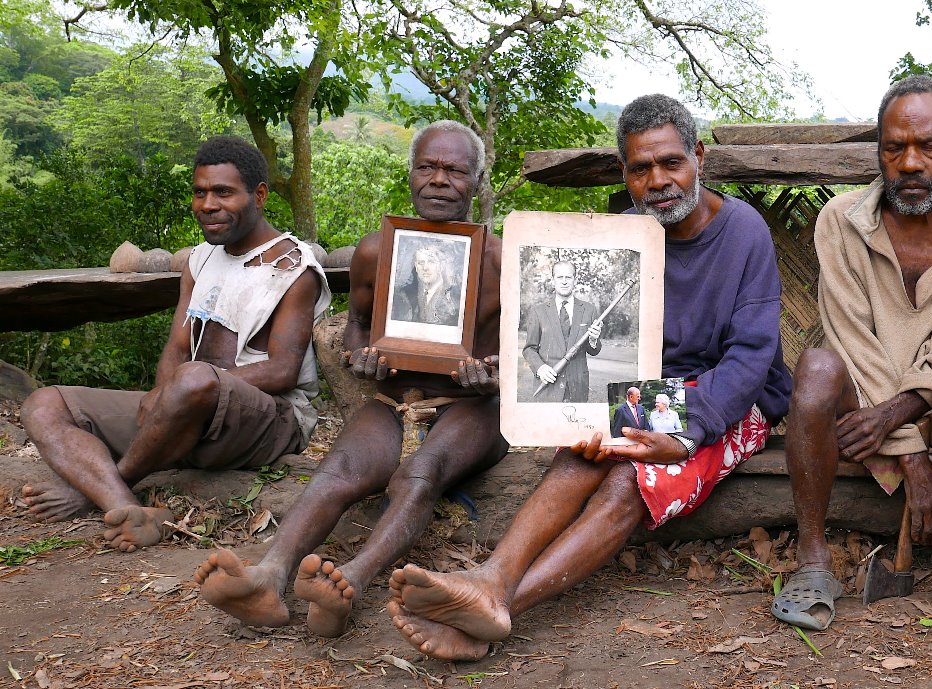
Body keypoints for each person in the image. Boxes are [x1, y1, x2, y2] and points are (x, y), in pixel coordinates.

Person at [388, 93, 792, 661]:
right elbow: (583, 335)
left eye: (671, 162)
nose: (658, 180)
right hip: (649, 389)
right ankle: (491, 575)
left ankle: (496, 609)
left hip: (728, 395)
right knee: (585, 450)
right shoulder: (620, 233)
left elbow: (752, 356)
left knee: (630, 479)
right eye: (640, 169)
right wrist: (555, 396)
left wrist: (688, 430)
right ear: (624, 175)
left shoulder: (744, 230)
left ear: (699, 157)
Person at [194, 120, 507, 637]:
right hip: (393, 397)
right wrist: (361, 351)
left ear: (477, 181)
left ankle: (352, 581)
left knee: (419, 474)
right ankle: (269, 576)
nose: (439, 180)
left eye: (455, 170)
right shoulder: (377, 251)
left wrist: (491, 377)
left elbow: (529, 351)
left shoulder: (501, 260)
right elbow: (359, 322)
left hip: (473, 407)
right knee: (337, 471)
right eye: (427, 167)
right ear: (410, 174)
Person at [772, 75, 932, 636]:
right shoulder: (842, 219)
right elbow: (849, 338)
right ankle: (813, 561)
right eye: (893, 147)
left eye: (928, 147)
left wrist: (900, 421)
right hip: (864, 410)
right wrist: (908, 455)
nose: (909, 163)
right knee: (816, 367)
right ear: (878, 151)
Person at [19, 136, 331, 552]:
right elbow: (178, 347)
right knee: (43, 404)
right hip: (186, 412)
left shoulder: (292, 268)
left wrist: (182, 389)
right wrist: (166, 395)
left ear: (259, 196)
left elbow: (282, 370)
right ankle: (128, 507)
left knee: (195, 378)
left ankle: (99, 487)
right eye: (200, 192)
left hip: (267, 422)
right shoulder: (200, 259)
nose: (207, 204)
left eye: (223, 192)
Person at [522, 261, 603, 402]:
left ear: (575, 280)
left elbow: (593, 351)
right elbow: (529, 349)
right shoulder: (538, 311)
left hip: (578, 388)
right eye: (560, 277)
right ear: (553, 280)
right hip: (547, 388)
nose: (564, 282)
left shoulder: (589, 310)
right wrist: (540, 368)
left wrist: (594, 340)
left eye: (568, 277)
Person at [392, 244, 461, 326]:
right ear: (416, 267)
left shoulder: (455, 297)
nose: (425, 268)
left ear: (441, 266)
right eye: (421, 263)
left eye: (431, 262)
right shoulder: (406, 295)